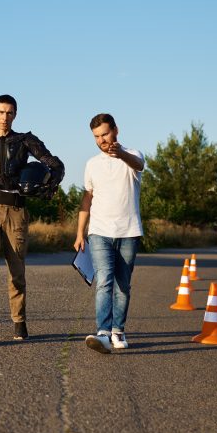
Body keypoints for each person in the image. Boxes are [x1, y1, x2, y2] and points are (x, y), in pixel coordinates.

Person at [0, 94, 64, 346]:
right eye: (1, 112)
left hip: (16, 211)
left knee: (16, 271)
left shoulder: (25, 141)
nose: (5, 117)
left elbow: (56, 165)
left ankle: (19, 322)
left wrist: (48, 187)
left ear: (15, 115)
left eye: (9, 113)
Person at [73, 113, 145, 353]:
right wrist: (80, 232)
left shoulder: (133, 155)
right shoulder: (92, 164)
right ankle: (103, 333)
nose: (101, 140)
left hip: (129, 232)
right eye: (96, 137)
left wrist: (120, 154)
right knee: (104, 280)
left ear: (116, 130)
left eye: (105, 134)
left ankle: (118, 330)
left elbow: (139, 165)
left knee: (123, 284)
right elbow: (87, 199)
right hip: (99, 231)